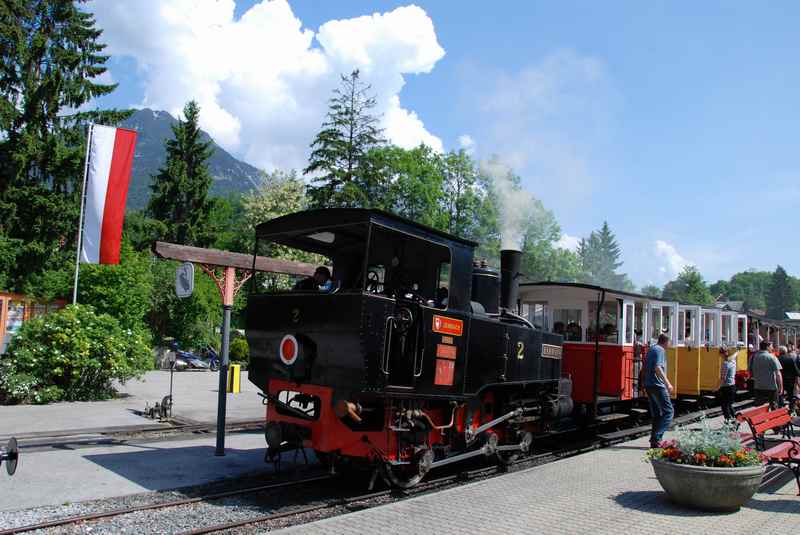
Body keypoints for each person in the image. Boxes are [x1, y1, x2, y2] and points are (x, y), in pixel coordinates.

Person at [644, 333, 675, 448]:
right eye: (670, 342)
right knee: (669, 412)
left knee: (657, 414)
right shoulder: (660, 350)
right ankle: (657, 438)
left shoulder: (652, 349)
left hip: (649, 384)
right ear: (666, 341)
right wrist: (668, 383)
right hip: (658, 385)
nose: (670, 345)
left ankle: (654, 442)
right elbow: (658, 368)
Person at [751, 340, 783, 409]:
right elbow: (778, 374)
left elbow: (750, 371)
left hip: (758, 387)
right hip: (771, 387)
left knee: (760, 409)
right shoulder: (772, 357)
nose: (772, 348)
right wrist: (780, 387)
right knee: (774, 407)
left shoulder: (753, 357)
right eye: (771, 346)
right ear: (767, 347)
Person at [778, 344, 800, 412]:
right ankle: (792, 408)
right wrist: (797, 377)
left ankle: (781, 407)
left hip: (780, 379)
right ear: (786, 351)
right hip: (790, 380)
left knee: (780, 393)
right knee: (790, 394)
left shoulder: (777, 359)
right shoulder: (790, 359)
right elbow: (795, 370)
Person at [717, 345, 737, 421]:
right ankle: (734, 420)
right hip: (733, 385)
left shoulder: (725, 364)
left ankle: (728, 422)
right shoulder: (733, 361)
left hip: (726, 387)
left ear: (721, 354)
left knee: (725, 406)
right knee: (729, 404)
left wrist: (717, 388)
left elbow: (723, 378)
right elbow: (735, 355)